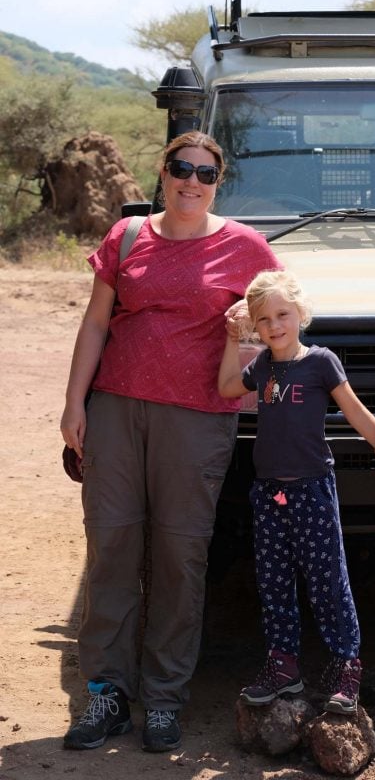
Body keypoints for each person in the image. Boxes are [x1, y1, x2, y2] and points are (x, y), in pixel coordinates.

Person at [60, 131, 282, 754]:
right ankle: (105, 693)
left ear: (219, 182)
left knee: (180, 557)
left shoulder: (245, 246)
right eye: (181, 168)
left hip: (198, 418)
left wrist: (251, 338)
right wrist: (75, 403)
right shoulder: (126, 237)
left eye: (205, 173)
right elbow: (96, 322)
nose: (192, 181)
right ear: (162, 171)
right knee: (112, 549)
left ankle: (163, 700)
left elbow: (280, 320)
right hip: (115, 411)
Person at [218, 268, 375, 714]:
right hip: (269, 495)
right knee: (274, 583)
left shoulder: (320, 362)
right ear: (255, 327)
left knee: (328, 584)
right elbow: (226, 387)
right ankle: (283, 667)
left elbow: (356, 413)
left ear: (300, 313)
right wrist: (230, 337)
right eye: (263, 320)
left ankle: (346, 668)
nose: (275, 326)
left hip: (311, 492)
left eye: (283, 314)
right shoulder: (262, 365)